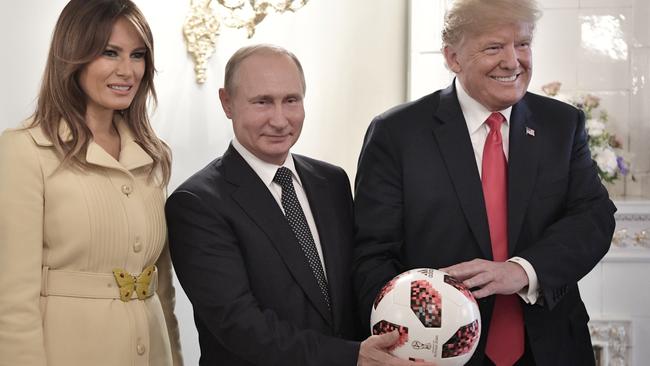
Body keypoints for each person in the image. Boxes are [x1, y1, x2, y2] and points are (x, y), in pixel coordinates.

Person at [353, 0, 617, 365]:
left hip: (552, 346)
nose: (513, 60)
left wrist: (521, 271)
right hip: (436, 354)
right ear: (453, 57)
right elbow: (372, 254)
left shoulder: (562, 124)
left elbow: (594, 219)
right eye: (494, 47)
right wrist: (407, 332)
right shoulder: (397, 134)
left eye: (522, 44)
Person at [165, 44, 435, 366]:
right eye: (262, 102)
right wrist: (351, 356)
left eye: (291, 100)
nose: (280, 120)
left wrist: (417, 300)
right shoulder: (196, 203)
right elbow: (238, 325)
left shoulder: (332, 181)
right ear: (227, 102)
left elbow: (354, 283)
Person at [0, 0, 182, 365]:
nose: (127, 70)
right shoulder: (24, 151)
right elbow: (12, 303)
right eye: (109, 52)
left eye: (137, 55)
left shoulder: (153, 154)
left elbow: (162, 288)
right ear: (72, 56)